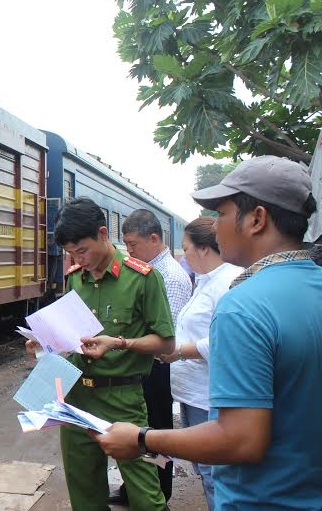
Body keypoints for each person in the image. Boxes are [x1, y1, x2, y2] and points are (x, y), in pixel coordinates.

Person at [94, 155, 322, 511]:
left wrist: (141, 438)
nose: (215, 227)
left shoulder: (244, 305)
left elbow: (241, 439)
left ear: (257, 219)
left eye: (223, 214)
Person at [26, 197, 175, 511]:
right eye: (70, 253)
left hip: (123, 398)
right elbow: (70, 337)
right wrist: (44, 343)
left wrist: (119, 342)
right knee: (85, 494)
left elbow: (166, 345)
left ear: (104, 233)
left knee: (146, 496)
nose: (78, 258)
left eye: (82, 250)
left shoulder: (143, 278)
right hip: (77, 397)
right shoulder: (76, 278)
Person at [158, 217, 243, 510]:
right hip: (192, 392)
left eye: (186, 248)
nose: (184, 255)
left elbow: (225, 340)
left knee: (213, 471)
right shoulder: (206, 280)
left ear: (204, 249)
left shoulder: (229, 281)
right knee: (204, 469)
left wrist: (179, 351)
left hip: (208, 395)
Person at [112, 209, 193, 503]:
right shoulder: (151, 272)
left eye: (132, 244)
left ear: (154, 239)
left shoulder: (168, 276)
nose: (129, 251)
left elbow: (163, 336)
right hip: (149, 367)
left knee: (156, 432)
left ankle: (159, 489)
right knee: (144, 431)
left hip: (158, 369)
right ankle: (136, 488)